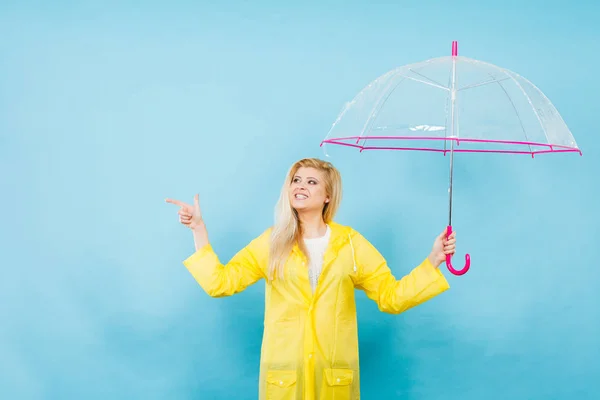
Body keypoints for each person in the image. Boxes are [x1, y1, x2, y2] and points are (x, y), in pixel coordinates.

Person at [166, 157, 456, 400]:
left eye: (311, 181)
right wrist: (198, 229)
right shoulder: (272, 243)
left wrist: (433, 261)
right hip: (285, 380)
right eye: (296, 180)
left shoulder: (351, 244)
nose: (300, 186)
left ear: (327, 195)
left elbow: (392, 297)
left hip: (333, 380)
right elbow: (220, 283)